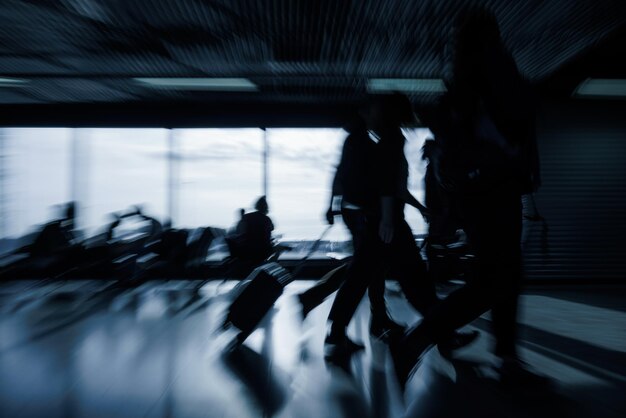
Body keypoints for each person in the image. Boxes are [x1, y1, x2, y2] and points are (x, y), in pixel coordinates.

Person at [390, 8, 546, 391]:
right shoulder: (493, 71)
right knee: (496, 279)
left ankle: (505, 356)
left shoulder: (462, 81)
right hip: (496, 188)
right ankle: (422, 338)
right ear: (489, 35)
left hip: (478, 193)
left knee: (502, 276)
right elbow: (522, 116)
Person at [324, 93, 477, 357]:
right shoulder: (390, 139)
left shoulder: (375, 139)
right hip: (387, 222)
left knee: (363, 277)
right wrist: (386, 219)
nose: (368, 113)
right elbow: (387, 185)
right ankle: (443, 335)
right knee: (412, 278)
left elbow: (381, 183)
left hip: (378, 220)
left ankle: (337, 335)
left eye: (373, 109)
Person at [296, 115, 403, 340]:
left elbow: (339, 176)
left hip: (355, 212)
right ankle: (357, 318)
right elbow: (379, 183)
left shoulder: (352, 144)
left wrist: (332, 205)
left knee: (367, 265)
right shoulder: (365, 144)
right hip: (366, 214)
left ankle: (376, 318)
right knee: (365, 266)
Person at [228, 196, 275, 265]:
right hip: (262, 251)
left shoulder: (246, 217)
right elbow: (270, 232)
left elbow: (240, 232)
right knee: (275, 249)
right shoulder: (267, 219)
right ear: (266, 207)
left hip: (247, 250)